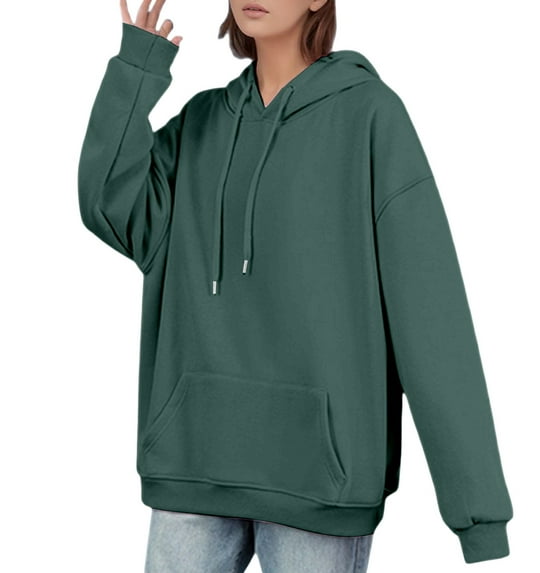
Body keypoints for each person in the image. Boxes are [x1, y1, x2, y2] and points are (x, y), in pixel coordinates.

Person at [77, 0, 513, 571]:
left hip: (319, 486)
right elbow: (108, 204)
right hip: (194, 464)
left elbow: (429, 314)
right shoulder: (201, 123)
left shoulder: (370, 117)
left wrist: (477, 515)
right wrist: (136, 71)